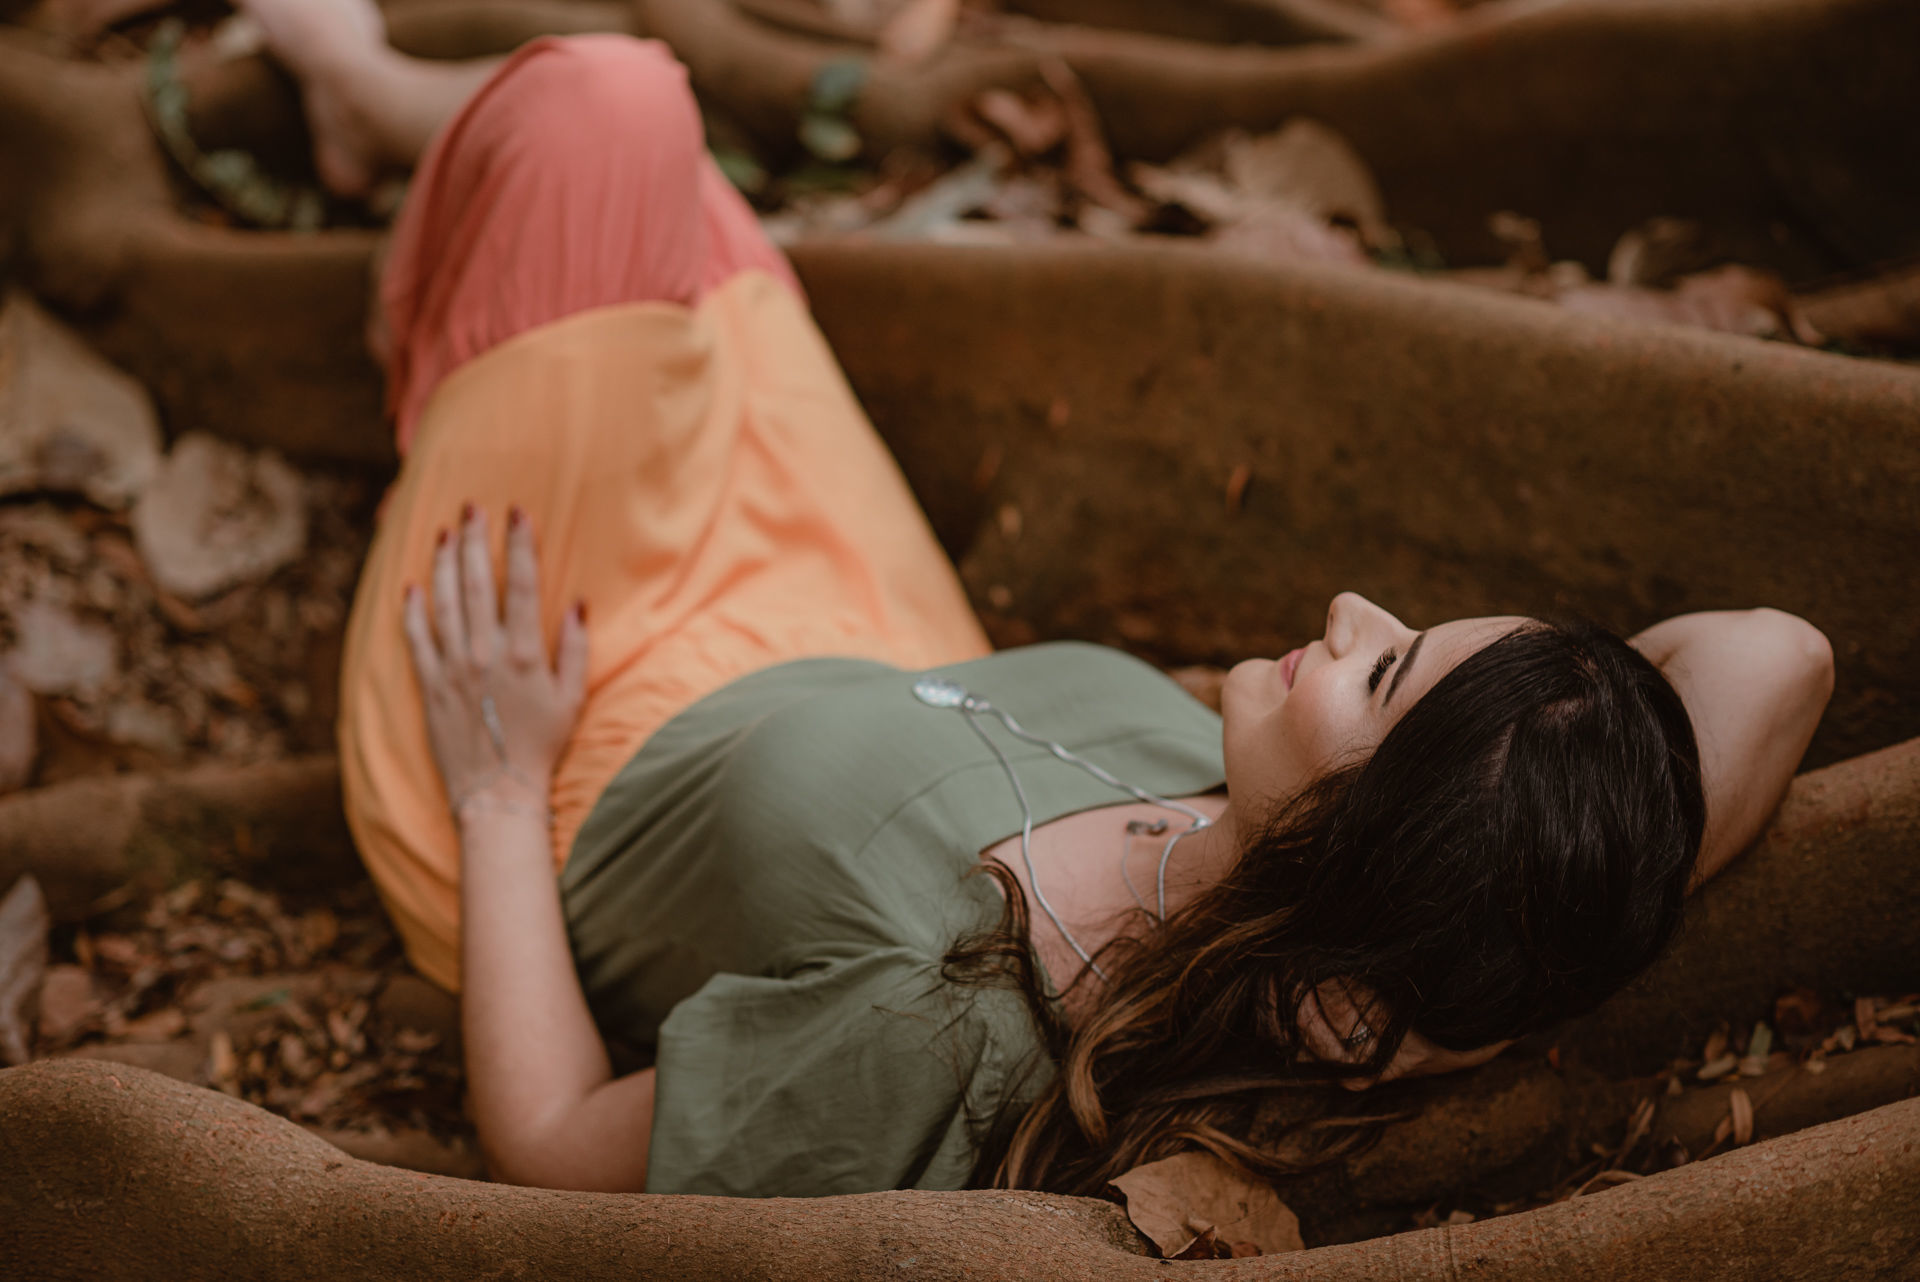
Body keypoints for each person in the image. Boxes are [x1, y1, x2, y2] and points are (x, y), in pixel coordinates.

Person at [248, 0, 1836, 1197]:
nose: (1352, 608)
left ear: (1368, 889)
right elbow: (1780, 658)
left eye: (1385, 671)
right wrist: (1554, 882)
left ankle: (379, 131)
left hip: (580, 721)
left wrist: (497, 781)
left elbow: (546, 1144)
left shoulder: (948, 1032)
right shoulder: (1395, 875)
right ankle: (407, 159)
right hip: (859, 627)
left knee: (611, 107)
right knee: (677, 216)